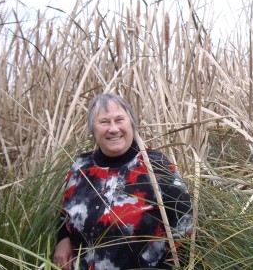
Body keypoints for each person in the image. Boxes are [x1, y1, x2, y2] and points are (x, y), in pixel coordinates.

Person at [53, 93, 193, 270]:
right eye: (104, 122)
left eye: (119, 120)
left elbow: (185, 225)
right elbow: (65, 214)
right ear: (93, 129)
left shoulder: (157, 165)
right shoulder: (80, 166)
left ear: (131, 124)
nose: (113, 129)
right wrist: (62, 239)